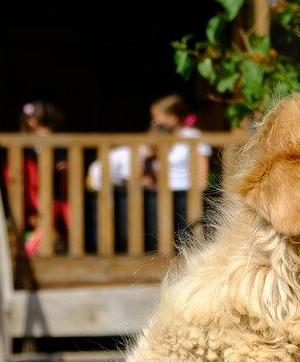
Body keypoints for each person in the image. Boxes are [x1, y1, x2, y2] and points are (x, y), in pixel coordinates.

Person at [85, 94, 214, 252]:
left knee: (186, 236)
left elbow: (201, 167)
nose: (154, 122)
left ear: (173, 118)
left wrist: (200, 190)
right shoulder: (159, 138)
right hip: (161, 192)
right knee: (159, 237)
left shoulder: (193, 137)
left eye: (157, 117)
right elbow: (153, 169)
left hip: (185, 193)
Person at [19, 100, 68, 257]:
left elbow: (62, 163)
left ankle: (55, 241)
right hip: (33, 190)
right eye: (28, 119)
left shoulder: (56, 142)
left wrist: (61, 165)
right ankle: (53, 241)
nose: (31, 122)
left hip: (54, 191)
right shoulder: (26, 144)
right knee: (36, 217)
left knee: (49, 215)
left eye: (34, 118)